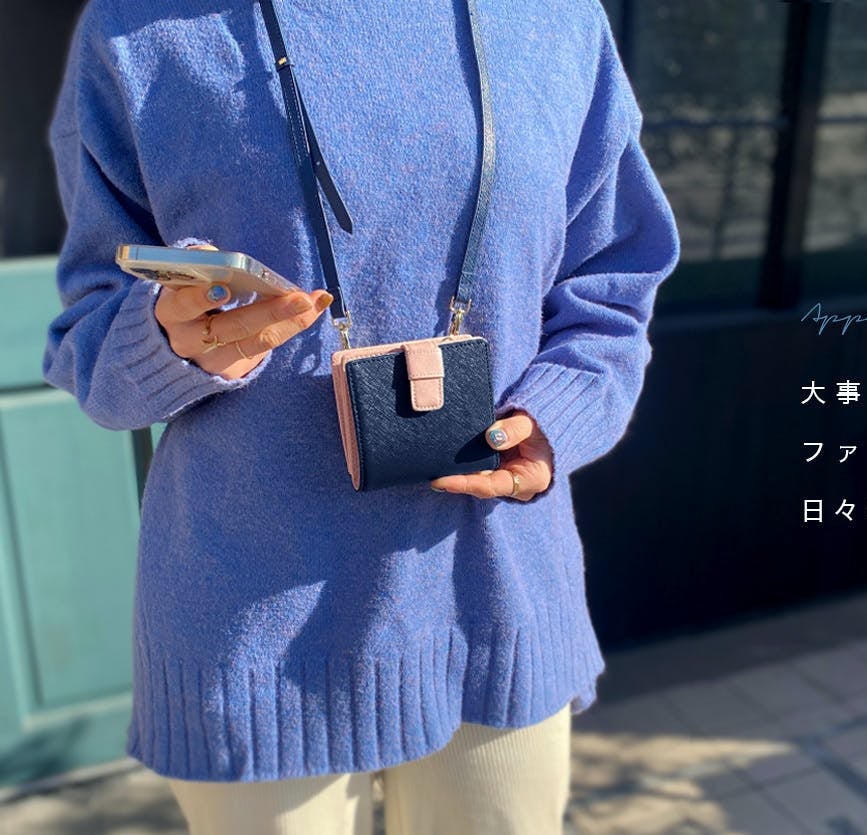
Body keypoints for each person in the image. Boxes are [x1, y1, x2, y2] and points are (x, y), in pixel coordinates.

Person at [43, 0, 680, 832]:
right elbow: (89, 344)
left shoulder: (555, 19)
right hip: (256, 627)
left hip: (498, 596)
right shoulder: (140, 29)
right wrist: (173, 338)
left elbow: (613, 288)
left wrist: (555, 413)